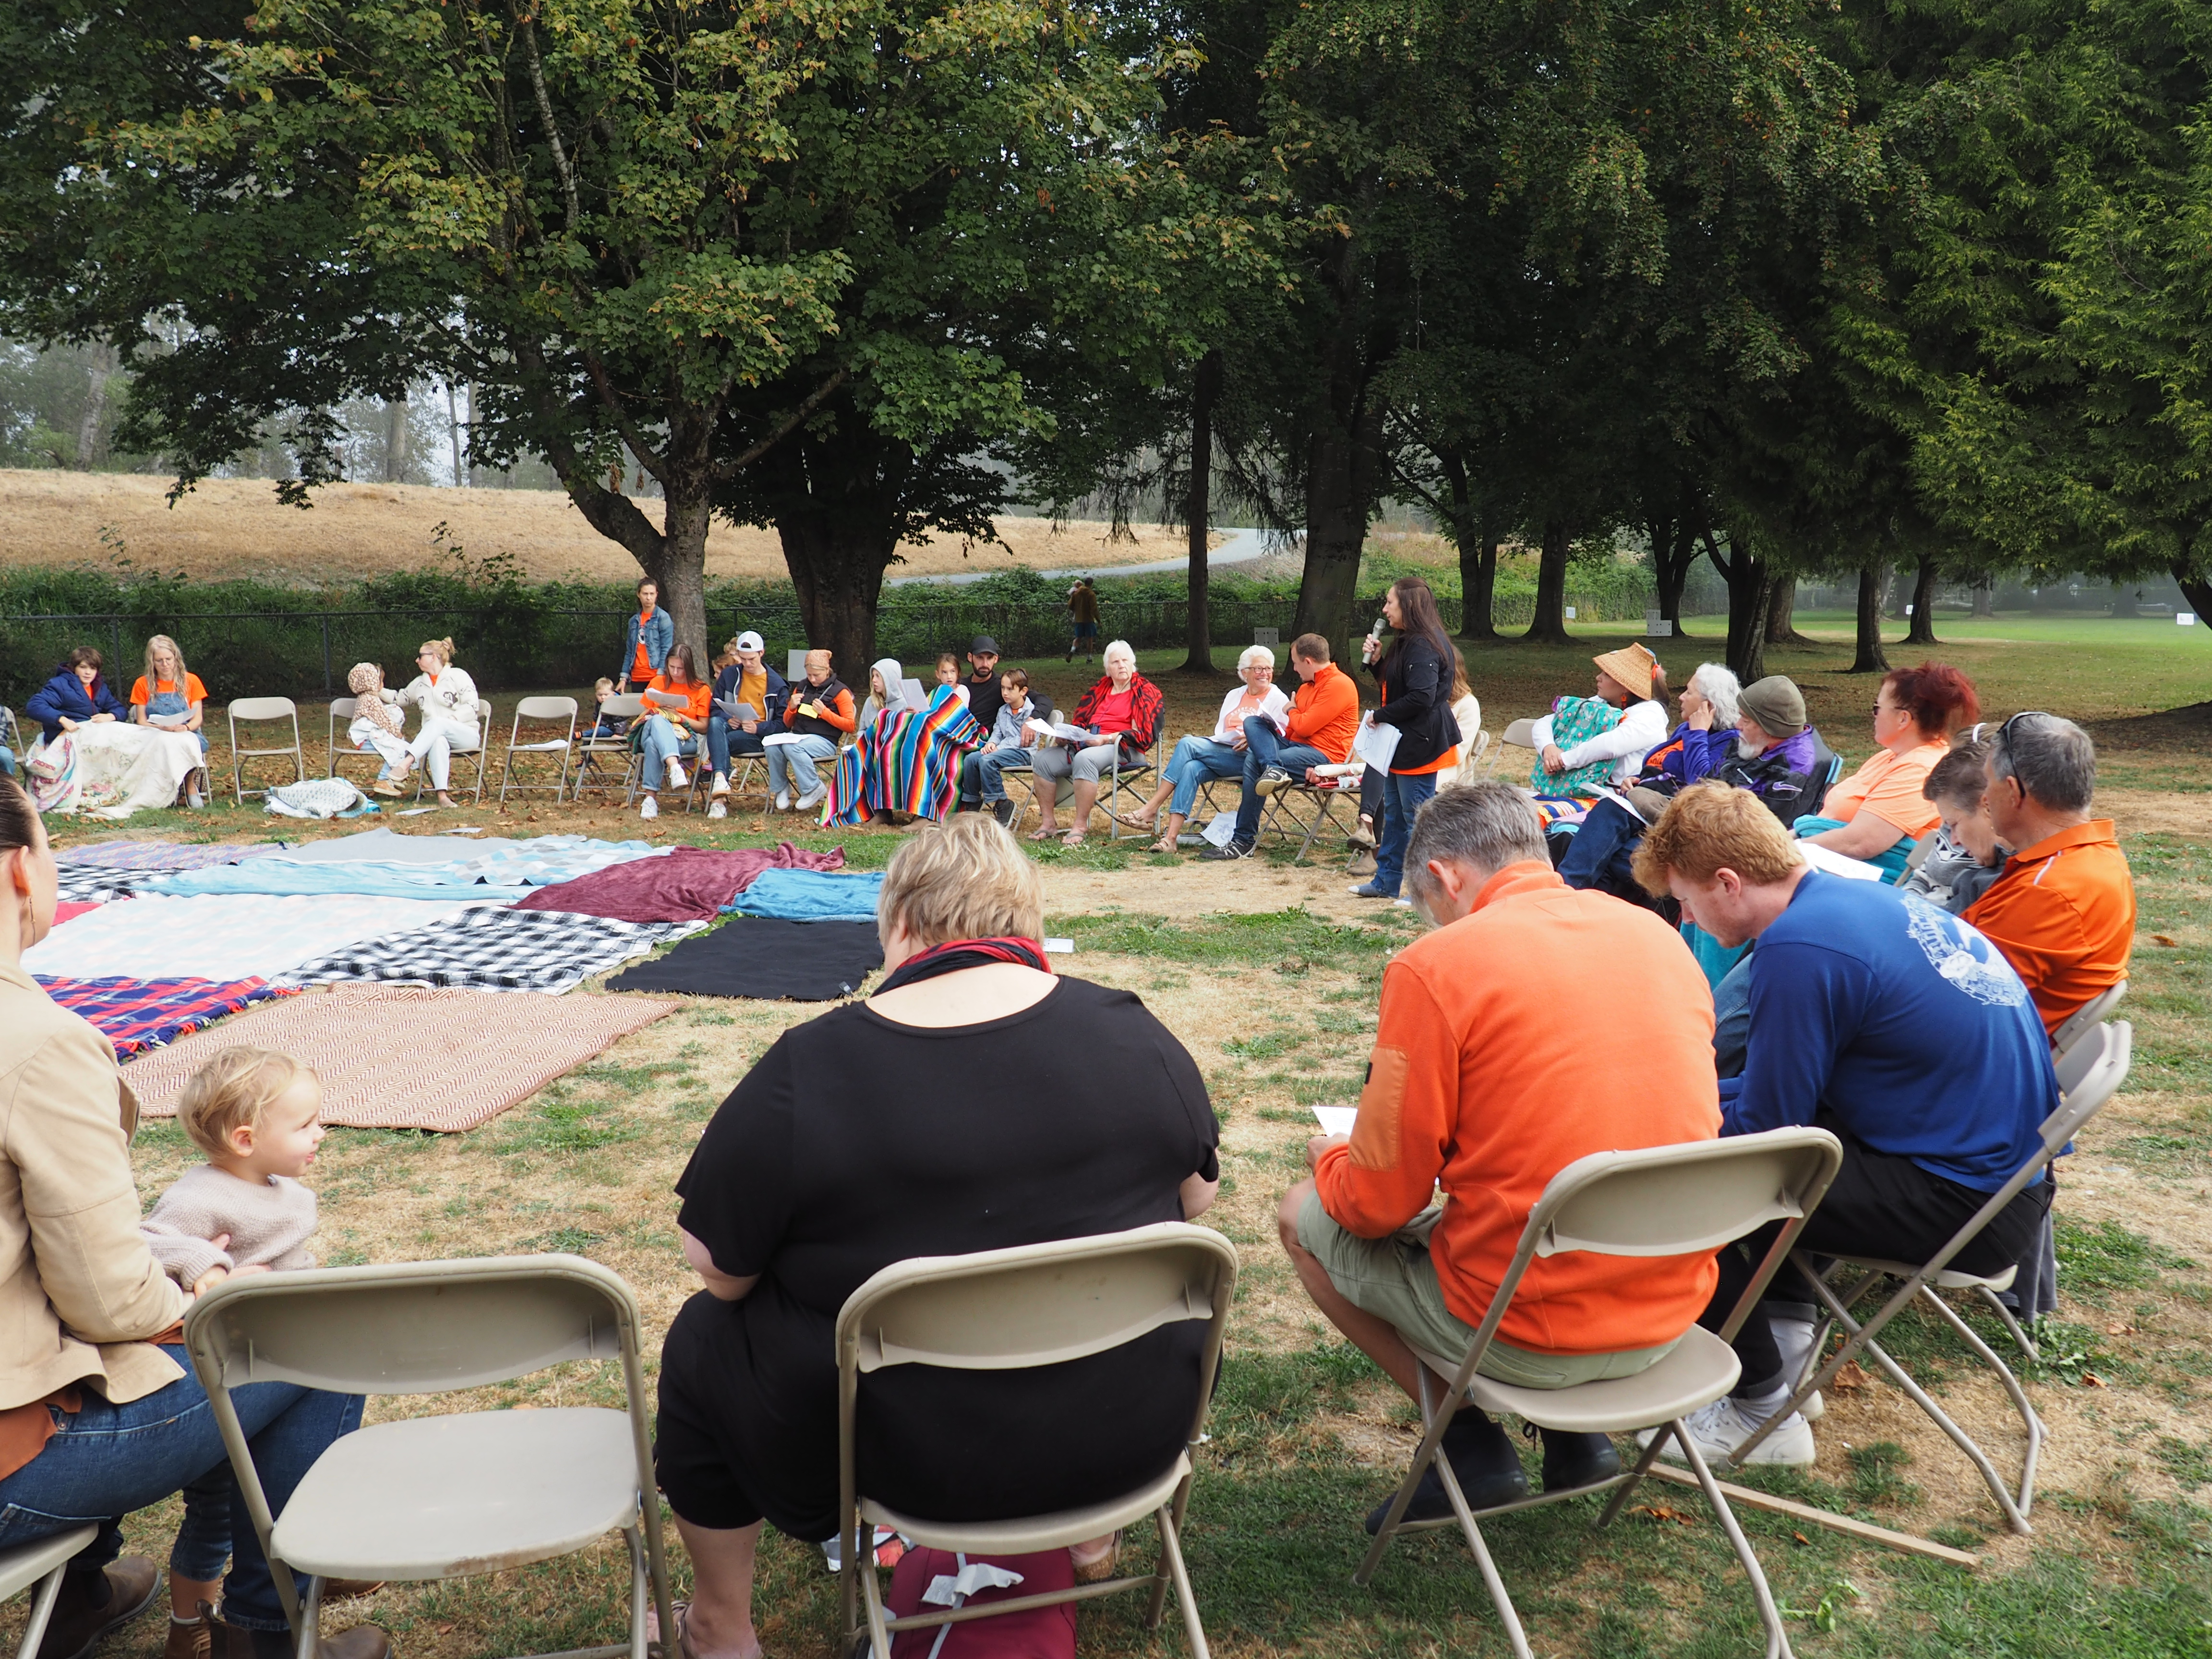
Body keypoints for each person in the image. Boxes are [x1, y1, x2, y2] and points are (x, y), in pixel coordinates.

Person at [653, 815, 1221, 1659]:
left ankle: (719, 1625)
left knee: (704, 1337)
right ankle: (1090, 1538)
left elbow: (721, 1274)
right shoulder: (1134, 1032)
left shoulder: (809, 1069)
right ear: (1026, 924)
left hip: (900, 1455)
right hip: (1127, 1431)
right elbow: (1197, 1204)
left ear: (902, 925)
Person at [0, 774, 389, 1659]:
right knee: (310, 1337)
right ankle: (264, 1632)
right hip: (11, 1470)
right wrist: (210, 1286)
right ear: (23, 867)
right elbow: (110, 1299)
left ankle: (81, 1593)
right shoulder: (39, 1042)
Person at [1279, 782, 1723, 1524]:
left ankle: (1464, 1443)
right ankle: (1575, 1440)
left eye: (1429, 902)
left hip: (1530, 1332)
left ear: (1446, 877)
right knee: (1542, 1197)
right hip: (1672, 1311)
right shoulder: (1656, 934)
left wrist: (1331, 1155)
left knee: (1304, 1214)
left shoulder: (1440, 965)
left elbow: (1376, 1206)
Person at [1630, 783, 2056, 1467]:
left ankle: (1762, 1414)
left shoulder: (1799, 951)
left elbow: (1771, 1133)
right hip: (2002, 1182)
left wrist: (1644, 1125)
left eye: (1685, 900)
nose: (1685, 918)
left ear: (1729, 884)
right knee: (1730, 1149)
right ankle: (1786, 1352)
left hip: (1964, 1204)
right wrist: (1685, 1094)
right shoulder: (1848, 901)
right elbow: (1788, 1093)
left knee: (1666, 1191)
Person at [137, 1049, 329, 1644]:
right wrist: (208, 1268)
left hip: (274, 1361)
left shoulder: (283, 1190)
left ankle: (290, 1572)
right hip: (225, 1374)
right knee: (217, 1508)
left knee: (276, 1487)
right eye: (304, 1125)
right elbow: (149, 1241)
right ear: (246, 1139)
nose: (321, 1133)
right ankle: (190, 1628)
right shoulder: (202, 1196)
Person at [1560, 673, 1821, 899]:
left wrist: (1697, 736)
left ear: (1769, 726)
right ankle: (1584, 912)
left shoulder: (1789, 766)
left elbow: (1707, 790)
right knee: (1608, 831)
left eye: (1747, 720)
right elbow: (1713, 785)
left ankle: (1565, 898)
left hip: (1721, 848)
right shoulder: (1756, 747)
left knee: (1616, 849)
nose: (1738, 725)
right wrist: (1646, 783)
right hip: (1701, 825)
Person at [1966, 713, 2135, 1037]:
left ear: (2013, 791)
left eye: (1988, 783)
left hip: (1973, 1060)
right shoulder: (2093, 858)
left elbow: (1957, 991)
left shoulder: (2050, 891)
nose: (1984, 798)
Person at [1797, 661, 1979, 875]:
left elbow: (1860, 843)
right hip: (1823, 863)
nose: (1873, 715)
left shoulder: (1920, 769)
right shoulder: (1890, 757)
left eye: (1877, 708)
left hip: (1853, 879)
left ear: (1903, 719)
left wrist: (1784, 853)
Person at [1202, 635, 1361, 861]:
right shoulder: (1307, 687)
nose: (1294, 669)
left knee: (1254, 762)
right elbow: (1294, 732)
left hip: (1325, 756)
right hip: (1296, 747)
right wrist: (1271, 730)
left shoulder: (1339, 685)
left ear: (1308, 662)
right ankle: (1273, 769)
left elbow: (1305, 727)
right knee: (1253, 722)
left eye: (1295, 663)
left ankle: (1243, 841)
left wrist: (1290, 711)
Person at [1350, 578, 1460, 901]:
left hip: (1420, 742)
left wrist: (1379, 716)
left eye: (1390, 603)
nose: (1384, 609)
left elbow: (1422, 697)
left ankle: (1423, 891)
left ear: (1409, 606)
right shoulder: (1406, 640)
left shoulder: (1424, 645)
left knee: (1415, 820)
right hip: (1401, 742)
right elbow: (1400, 684)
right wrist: (1378, 664)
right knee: (1396, 816)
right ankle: (1386, 882)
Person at [1126, 646, 1290, 854]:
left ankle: (1151, 809)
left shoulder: (1277, 698)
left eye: (1268, 669)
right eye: (1258, 669)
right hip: (1225, 752)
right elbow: (1221, 730)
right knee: (1192, 768)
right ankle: (1171, 839)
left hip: (1252, 761)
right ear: (1245, 673)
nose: (1264, 674)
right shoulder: (1234, 695)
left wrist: (1253, 738)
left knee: (1187, 743)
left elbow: (1283, 735)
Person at [1028, 640, 1162, 847]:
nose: (1121, 665)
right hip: (1088, 744)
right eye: (1115, 662)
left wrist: (1106, 738)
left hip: (1124, 748)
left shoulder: (1144, 691)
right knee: (1043, 759)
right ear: (1107, 668)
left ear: (1133, 664)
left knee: (1085, 758)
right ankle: (1049, 823)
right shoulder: (1100, 690)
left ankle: (1080, 826)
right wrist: (1069, 736)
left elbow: (1141, 733)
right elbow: (1081, 721)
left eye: (1125, 661)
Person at [1344, 647, 1475, 855]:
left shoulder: (1467, 705)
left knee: (1400, 801)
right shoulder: (1421, 703)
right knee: (1380, 767)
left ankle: (1370, 837)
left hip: (1443, 767)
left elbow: (1459, 750)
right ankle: (1370, 837)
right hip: (1409, 759)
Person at [823, 665, 986, 829]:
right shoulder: (934, 693)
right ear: (937, 674)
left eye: (952, 672)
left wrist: (924, 717)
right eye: (944, 672)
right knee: (885, 748)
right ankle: (883, 810)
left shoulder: (959, 691)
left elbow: (953, 719)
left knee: (918, 748)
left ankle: (925, 813)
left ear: (959, 673)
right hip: (920, 733)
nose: (948, 676)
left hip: (951, 737)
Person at [1529, 642, 1671, 802]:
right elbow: (1546, 722)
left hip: (1616, 800)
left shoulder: (1651, 714)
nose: (1598, 678)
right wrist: (1549, 749)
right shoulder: (1599, 703)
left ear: (1625, 686)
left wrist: (1563, 760)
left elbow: (1611, 745)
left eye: (1607, 674)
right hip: (1577, 791)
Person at [1900, 735, 2006, 914]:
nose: (1953, 840)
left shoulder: (2008, 876)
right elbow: (1922, 878)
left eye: (1954, 824)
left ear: (1987, 807)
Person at [393, 637, 482, 810]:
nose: (417, 660)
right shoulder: (420, 683)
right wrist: (374, 688)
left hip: (465, 734)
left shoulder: (458, 676)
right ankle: (442, 796)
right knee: (438, 739)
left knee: (438, 724)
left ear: (433, 657)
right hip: (435, 736)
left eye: (420, 656)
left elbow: (473, 706)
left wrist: (451, 721)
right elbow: (398, 698)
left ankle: (406, 763)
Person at [704, 632, 785, 818]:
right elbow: (715, 707)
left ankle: (719, 799)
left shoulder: (776, 684)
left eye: (751, 659)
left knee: (721, 740)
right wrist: (728, 717)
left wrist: (759, 728)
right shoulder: (730, 675)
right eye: (743, 659)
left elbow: (782, 725)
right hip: (732, 726)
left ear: (761, 653)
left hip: (758, 736)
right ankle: (720, 781)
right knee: (717, 722)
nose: (747, 664)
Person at [959, 670, 1054, 823]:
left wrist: (999, 749)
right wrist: (991, 743)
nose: (1005, 693)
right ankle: (972, 801)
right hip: (1001, 751)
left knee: (987, 761)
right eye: (1003, 688)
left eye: (1010, 689)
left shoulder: (1031, 713)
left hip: (1023, 753)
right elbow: (998, 731)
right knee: (971, 759)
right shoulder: (1003, 710)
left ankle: (1002, 803)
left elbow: (1024, 741)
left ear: (1023, 691)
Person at [767, 650, 856, 813]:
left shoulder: (840, 691)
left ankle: (813, 788)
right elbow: (787, 722)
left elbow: (850, 726)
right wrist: (791, 708)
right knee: (772, 747)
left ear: (827, 671)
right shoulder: (802, 687)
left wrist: (826, 713)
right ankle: (781, 788)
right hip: (798, 736)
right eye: (809, 675)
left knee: (791, 748)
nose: (812, 679)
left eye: (817, 675)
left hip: (824, 741)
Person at [635, 643, 712, 822]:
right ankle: (675, 767)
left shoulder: (701, 689)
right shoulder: (657, 683)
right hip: (652, 729)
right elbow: (645, 713)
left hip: (685, 737)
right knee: (657, 719)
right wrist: (662, 713)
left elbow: (703, 727)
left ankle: (650, 799)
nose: (676, 673)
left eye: (681, 668)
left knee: (654, 744)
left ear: (689, 668)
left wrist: (678, 716)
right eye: (672, 667)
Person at [344, 662, 416, 799]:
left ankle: (390, 778)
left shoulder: (368, 698)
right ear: (371, 682)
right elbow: (383, 720)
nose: (383, 684)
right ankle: (384, 779)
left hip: (368, 737)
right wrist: (397, 733)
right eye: (381, 681)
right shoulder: (371, 700)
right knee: (398, 749)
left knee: (397, 748)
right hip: (368, 738)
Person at [128, 636, 208, 757]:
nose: (165, 664)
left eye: (169, 659)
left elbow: (197, 718)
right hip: (155, 734)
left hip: (186, 732)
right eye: (159, 660)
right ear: (152, 662)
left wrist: (185, 728)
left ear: (176, 658)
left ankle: (189, 775)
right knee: (163, 746)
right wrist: (161, 727)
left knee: (184, 745)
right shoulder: (142, 683)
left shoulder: (192, 681)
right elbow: (142, 722)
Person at [26, 647, 128, 741]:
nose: (88, 672)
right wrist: (61, 719)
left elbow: (121, 710)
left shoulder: (100, 688)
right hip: (65, 736)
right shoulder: (60, 684)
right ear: (74, 668)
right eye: (83, 667)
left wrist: (111, 716)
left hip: (93, 735)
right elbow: (35, 706)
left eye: (93, 669)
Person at [618, 578, 673, 693]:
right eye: (645, 594)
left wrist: (661, 673)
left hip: (655, 675)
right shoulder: (634, 621)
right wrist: (624, 677)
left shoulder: (662, 618)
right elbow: (630, 651)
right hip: (637, 676)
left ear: (657, 595)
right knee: (640, 710)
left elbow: (667, 648)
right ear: (639, 594)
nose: (649, 598)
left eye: (652, 594)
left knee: (656, 710)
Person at [961, 636, 1005, 733]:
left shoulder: (1003, 687)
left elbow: (1042, 700)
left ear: (996, 659)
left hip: (985, 744)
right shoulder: (960, 687)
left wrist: (1032, 718)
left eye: (989, 658)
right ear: (970, 657)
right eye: (980, 658)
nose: (985, 664)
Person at [1065, 577, 1100, 664]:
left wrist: (1076, 611)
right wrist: (1099, 620)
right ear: (1091, 584)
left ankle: (1072, 650)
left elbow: (1070, 605)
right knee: (1090, 639)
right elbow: (1094, 608)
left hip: (1079, 619)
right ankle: (1089, 658)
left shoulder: (1077, 593)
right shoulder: (1091, 594)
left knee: (1078, 638)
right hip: (1089, 619)